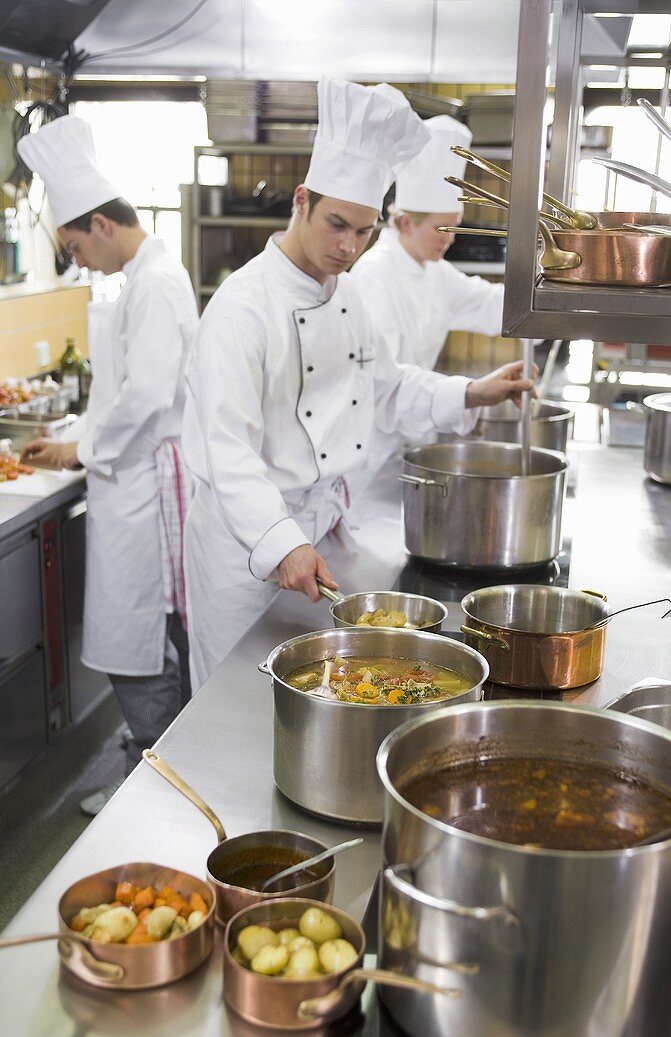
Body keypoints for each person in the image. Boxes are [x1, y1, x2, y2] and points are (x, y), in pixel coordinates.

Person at [182, 78, 535, 690]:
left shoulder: (345, 295)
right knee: (230, 705)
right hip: (246, 548)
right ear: (302, 201)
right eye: (337, 225)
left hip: (321, 528)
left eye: (364, 231)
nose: (348, 248)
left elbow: (387, 388)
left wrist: (471, 393)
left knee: (315, 693)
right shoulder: (243, 308)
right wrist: (280, 542)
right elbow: (226, 452)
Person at [17, 116, 198, 810]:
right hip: (130, 479)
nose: (79, 261)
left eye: (74, 246)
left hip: (144, 488)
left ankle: (154, 783)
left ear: (100, 223)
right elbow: (123, 389)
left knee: (136, 639)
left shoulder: (154, 283)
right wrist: (81, 441)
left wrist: (82, 446)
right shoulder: (143, 278)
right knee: (140, 637)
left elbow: (147, 395)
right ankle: (152, 765)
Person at [350, 114, 511, 462]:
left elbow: (489, 304)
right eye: (442, 228)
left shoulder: (434, 272)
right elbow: (384, 387)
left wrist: (547, 299)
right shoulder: (375, 277)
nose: (451, 239)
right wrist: (468, 393)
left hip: (406, 441)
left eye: (454, 227)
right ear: (407, 222)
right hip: (368, 452)